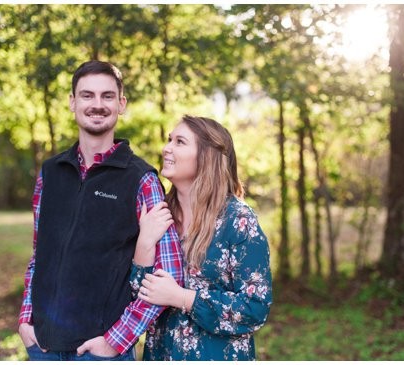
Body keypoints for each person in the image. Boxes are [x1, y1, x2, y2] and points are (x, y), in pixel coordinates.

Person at [17, 60, 184, 361]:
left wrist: (116, 341)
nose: (97, 104)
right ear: (72, 102)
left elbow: (168, 274)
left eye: (107, 96)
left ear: (121, 104)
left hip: (100, 352)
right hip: (40, 346)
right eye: (87, 95)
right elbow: (38, 254)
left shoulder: (142, 179)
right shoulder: (50, 172)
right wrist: (26, 318)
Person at [131, 115, 273, 360]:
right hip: (161, 354)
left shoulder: (237, 221)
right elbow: (136, 295)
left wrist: (181, 297)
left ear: (206, 156)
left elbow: (255, 307)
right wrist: (144, 242)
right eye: (169, 140)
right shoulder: (158, 213)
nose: (167, 148)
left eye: (180, 142)